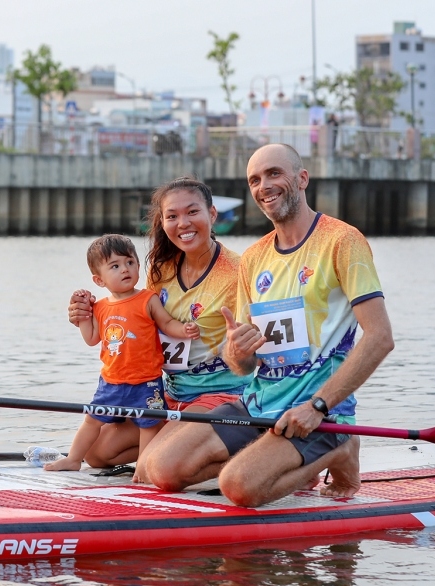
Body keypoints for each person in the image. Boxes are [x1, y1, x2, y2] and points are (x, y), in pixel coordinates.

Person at [143, 144, 395, 508]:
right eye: (255, 180)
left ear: (301, 178)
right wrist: (237, 349)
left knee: (238, 488)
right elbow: (242, 365)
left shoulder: (343, 241)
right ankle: (276, 456)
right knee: (161, 470)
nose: (265, 185)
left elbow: (380, 339)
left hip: (315, 409)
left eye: (274, 173)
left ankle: (341, 447)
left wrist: (319, 406)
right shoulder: (255, 256)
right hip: (257, 402)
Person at [67, 178, 247, 479]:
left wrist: (240, 346)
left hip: (218, 394)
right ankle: (177, 449)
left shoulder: (239, 271)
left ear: (212, 215)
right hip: (165, 393)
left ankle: (255, 448)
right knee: (96, 454)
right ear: (162, 222)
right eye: (172, 216)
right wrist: (85, 313)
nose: (183, 223)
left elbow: (259, 346)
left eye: (192, 212)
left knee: (158, 468)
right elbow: (131, 316)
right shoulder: (160, 268)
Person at [47, 234, 200, 473]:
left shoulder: (147, 299)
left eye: (130, 262)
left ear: (139, 266)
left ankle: (143, 466)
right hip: (111, 382)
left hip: (146, 383)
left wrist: (184, 329)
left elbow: (167, 323)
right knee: (92, 419)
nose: (125, 270)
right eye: (115, 266)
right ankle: (73, 458)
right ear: (99, 280)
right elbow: (91, 339)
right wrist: (84, 316)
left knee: (148, 424)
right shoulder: (101, 307)